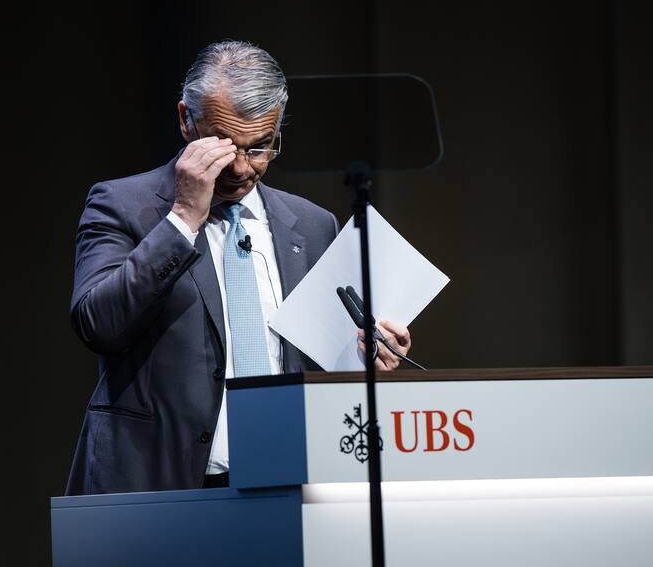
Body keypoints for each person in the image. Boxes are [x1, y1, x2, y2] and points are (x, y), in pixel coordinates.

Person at [64, 40, 412, 495]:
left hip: (287, 477)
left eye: (260, 147)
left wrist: (365, 354)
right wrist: (183, 218)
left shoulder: (312, 224)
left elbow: (319, 363)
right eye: (225, 147)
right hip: (160, 482)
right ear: (186, 120)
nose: (242, 168)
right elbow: (99, 325)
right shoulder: (121, 204)